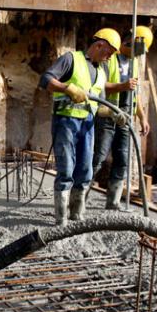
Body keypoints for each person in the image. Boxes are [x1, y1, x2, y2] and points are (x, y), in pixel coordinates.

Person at [39, 28, 119, 225]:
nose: (109, 58)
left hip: (87, 124)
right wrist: (67, 88)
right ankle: (61, 218)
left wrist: (112, 113)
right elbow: (45, 80)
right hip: (66, 121)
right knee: (66, 168)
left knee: (85, 170)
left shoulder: (101, 71)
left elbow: (98, 105)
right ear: (99, 44)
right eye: (108, 52)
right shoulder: (70, 59)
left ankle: (77, 214)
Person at [92, 26, 153, 210]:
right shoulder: (109, 58)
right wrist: (122, 86)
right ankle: (79, 198)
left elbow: (135, 95)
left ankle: (113, 202)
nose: (140, 54)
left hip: (125, 117)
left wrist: (142, 117)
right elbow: (99, 86)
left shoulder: (134, 64)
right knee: (99, 157)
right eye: (140, 49)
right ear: (131, 42)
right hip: (108, 114)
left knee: (122, 159)